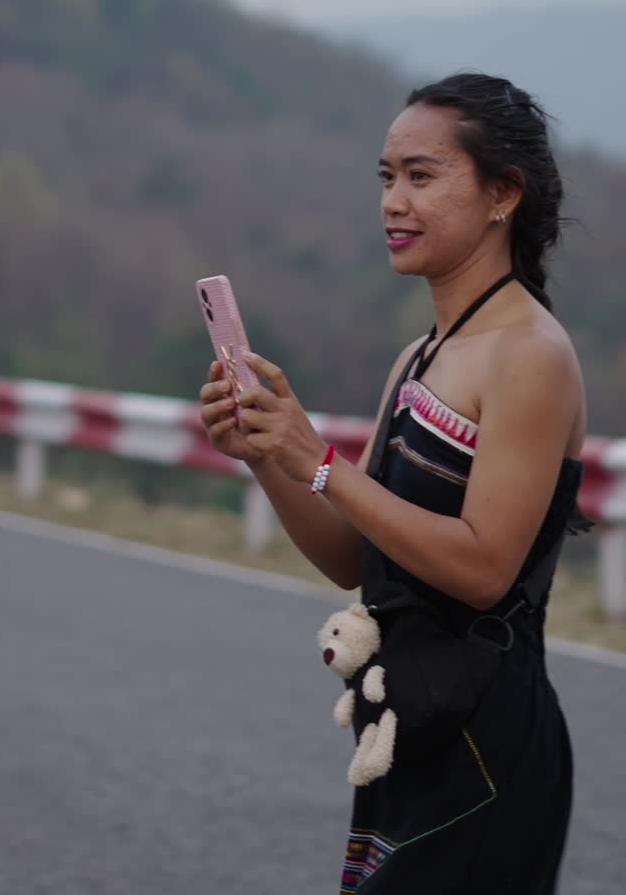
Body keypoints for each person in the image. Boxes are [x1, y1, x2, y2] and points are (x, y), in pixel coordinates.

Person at [199, 73, 590, 894]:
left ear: (503, 195)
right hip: (409, 734)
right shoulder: (419, 358)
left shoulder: (531, 355)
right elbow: (355, 559)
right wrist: (267, 454)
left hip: (488, 747)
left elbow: (484, 568)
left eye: (421, 175)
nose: (393, 203)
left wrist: (321, 462)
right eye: (386, 177)